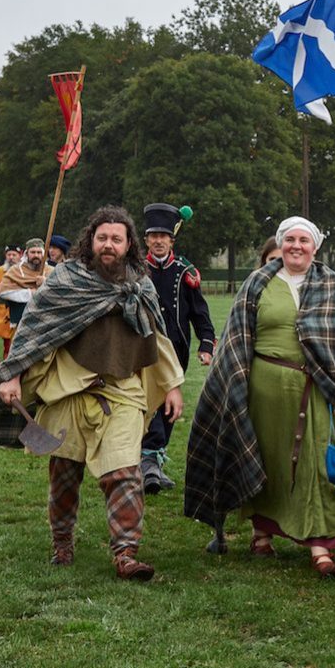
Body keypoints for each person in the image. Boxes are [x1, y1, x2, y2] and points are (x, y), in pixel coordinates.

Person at [0, 207, 185, 581]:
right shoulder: (67, 279)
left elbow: (157, 338)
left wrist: (173, 386)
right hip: (67, 392)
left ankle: (126, 553)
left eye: (116, 239)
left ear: (129, 244)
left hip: (122, 393)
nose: (109, 245)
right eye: (103, 238)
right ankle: (62, 543)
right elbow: (35, 330)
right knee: (65, 476)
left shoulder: (139, 285)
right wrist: (13, 375)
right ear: (91, 240)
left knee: (125, 473)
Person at [184, 216, 335, 577]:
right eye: (290, 239)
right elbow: (236, 336)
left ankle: (319, 546)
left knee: (313, 464)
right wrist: (234, 383)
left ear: (315, 247)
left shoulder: (331, 285)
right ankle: (261, 534)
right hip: (264, 391)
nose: (296, 246)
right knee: (266, 460)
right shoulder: (257, 283)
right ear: (281, 243)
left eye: (304, 241)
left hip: (316, 388)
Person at [138, 203, 217, 494]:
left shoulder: (185, 272)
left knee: (170, 407)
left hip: (176, 350)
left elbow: (200, 313)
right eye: (153, 236)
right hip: (143, 349)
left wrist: (206, 343)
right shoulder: (135, 270)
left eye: (163, 236)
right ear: (146, 240)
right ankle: (148, 461)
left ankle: (153, 461)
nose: (158, 241)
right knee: (150, 403)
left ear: (172, 240)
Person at [0, 238, 49, 355]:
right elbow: (4, 292)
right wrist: (30, 293)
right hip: (20, 322)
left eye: (39, 252)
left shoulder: (51, 271)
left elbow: (58, 293)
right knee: (17, 354)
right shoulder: (15, 271)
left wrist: (45, 283)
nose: (36, 255)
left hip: (45, 323)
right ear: (26, 253)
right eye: (33, 252)